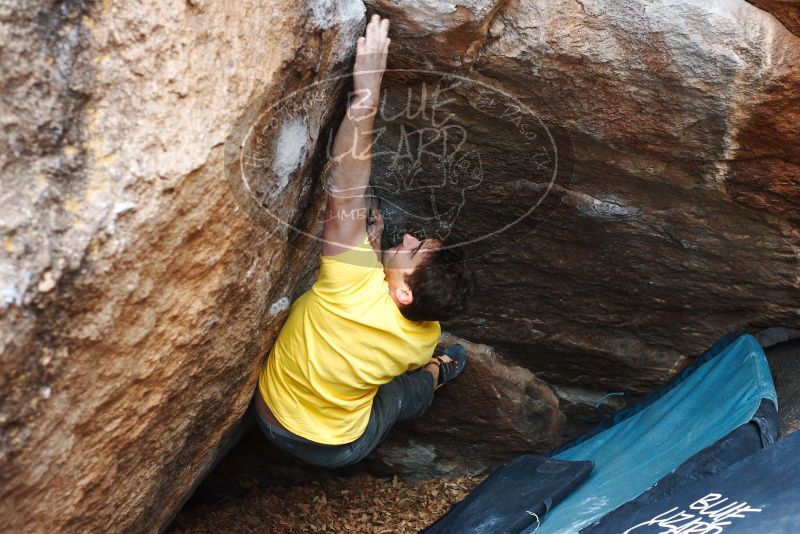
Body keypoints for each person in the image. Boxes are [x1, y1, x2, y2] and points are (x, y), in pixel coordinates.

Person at [254, 14, 476, 468]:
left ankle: (435, 374)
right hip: (340, 447)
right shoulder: (422, 334)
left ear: (403, 289)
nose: (410, 236)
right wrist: (375, 252)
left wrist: (366, 93)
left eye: (414, 249)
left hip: (271, 416)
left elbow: (347, 185)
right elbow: (377, 303)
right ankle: (435, 371)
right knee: (401, 390)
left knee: (403, 391)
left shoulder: (348, 285)